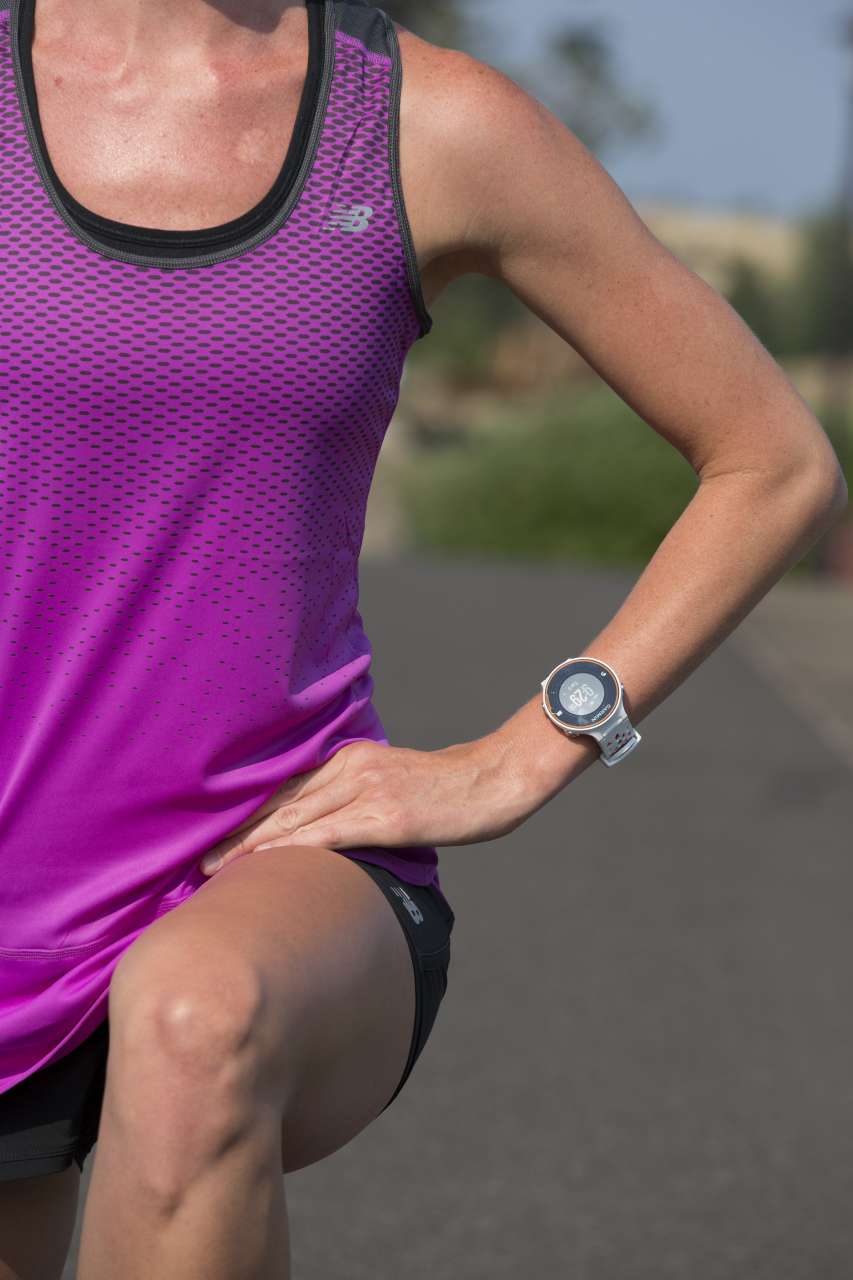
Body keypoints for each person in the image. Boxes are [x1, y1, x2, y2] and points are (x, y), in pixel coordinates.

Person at [0, 0, 847, 1276]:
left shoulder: (422, 125)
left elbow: (772, 461)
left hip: (273, 856)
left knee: (195, 1027)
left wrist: (524, 754)